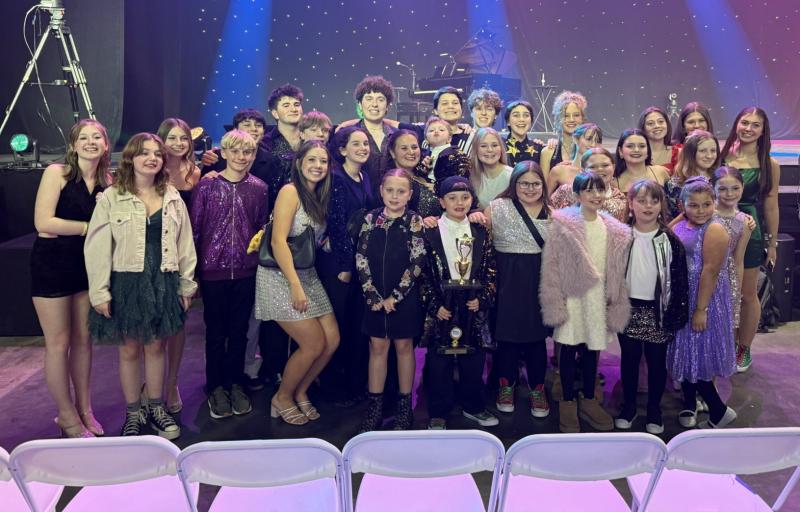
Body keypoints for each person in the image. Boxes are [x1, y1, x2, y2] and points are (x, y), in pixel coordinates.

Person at [85, 133, 197, 439]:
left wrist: (187, 285)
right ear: (131, 158)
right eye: (144, 153)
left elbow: (185, 244)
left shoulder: (172, 196)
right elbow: (96, 247)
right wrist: (99, 291)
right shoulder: (112, 197)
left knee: (157, 346)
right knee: (129, 349)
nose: (152, 158)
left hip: (163, 280)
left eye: (157, 154)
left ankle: (157, 407)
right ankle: (133, 412)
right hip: (126, 282)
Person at [31, 119, 112, 438]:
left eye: (97, 137)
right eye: (84, 137)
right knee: (58, 343)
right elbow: (43, 223)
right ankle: (66, 416)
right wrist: (89, 228)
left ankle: (84, 410)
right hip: (52, 265)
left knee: (83, 341)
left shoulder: (108, 181)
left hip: (88, 266)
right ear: (73, 145)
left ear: (106, 144)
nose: (91, 142)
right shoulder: (57, 173)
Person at [255, 140, 340, 425]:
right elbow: (278, 241)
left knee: (332, 341)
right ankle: (281, 397)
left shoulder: (319, 195)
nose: (318, 166)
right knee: (313, 344)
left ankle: (300, 391)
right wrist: (294, 285)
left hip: (308, 274)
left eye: (323, 161)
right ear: (300, 163)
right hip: (281, 276)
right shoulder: (290, 192)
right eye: (312, 160)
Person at [540, 171, 632, 433]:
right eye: (589, 190)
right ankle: (567, 401)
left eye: (600, 190)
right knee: (568, 349)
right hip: (572, 297)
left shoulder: (612, 229)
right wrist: (555, 301)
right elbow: (551, 266)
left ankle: (589, 399)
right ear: (577, 194)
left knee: (593, 350)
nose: (595, 195)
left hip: (598, 299)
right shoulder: (563, 225)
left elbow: (616, 269)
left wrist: (614, 297)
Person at [190, 129, 268, 419]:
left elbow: (261, 228)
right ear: (223, 153)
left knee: (239, 331)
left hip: (246, 271)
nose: (241, 157)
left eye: (247, 152)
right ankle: (215, 386)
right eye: (235, 151)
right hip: (212, 271)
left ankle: (235, 383)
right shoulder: (206, 186)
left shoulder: (259, 188)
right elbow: (195, 229)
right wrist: (194, 272)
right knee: (215, 332)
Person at [422, 176, 498, 429]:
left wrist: (482, 299)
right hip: (442, 303)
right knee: (438, 361)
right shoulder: (430, 231)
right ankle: (438, 412)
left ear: (472, 200)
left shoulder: (480, 229)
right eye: (452, 198)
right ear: (441, 202)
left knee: (474, 358)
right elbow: (423, 273)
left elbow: (490, 269)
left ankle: (473, 406)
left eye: (465, 197)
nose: (459, 202)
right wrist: (434, 305)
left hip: (471, 302)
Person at [616, 180, 689, 434]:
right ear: (630, 204)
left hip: (659, 310)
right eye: (641, 200)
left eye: (654, 201)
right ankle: (629, 407)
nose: (648, 206)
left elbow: (679, 280)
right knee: (629, 360)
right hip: (628, 309)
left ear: (661, 205)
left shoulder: (670, 240)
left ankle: (654, 410)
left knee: (657, 362)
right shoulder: (621, 236)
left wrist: (675, 314)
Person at [356, 169, 426, 432]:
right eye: (390, 190)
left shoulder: (414, 221)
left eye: (401, 191)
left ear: (409, 194)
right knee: (377, 347)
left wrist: (395, 296)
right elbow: (361, 257)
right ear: (381, 191)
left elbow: (416, 262)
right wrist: (372, 294)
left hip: (403, 298)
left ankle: (404, 409)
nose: (395, 196)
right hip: (374, 297)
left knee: (404, 347)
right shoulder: (370, 218)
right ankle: (374, 409)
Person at [485, 162, 551, 419]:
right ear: (514, 184)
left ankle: (538, 388)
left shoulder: (553, 213)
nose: (530, 188)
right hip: (506, 279)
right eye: (524, 183)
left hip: (539, 280)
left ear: (543, 185)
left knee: (536, 338)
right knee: (506, 337)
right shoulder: (497, 207)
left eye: (535, 183)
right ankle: (506, 386)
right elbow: (481, 241)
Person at [669, 177, 737, 429]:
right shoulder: (684, 223)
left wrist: (701, 309)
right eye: (693, 205)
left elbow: (710, 270)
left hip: (704, 296)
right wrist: (682, 214)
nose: (700, 211)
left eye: (706, 205)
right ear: (682, 205)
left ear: (714, 203)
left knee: (697, 351)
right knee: (687, 348)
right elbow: (667, 232)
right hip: (684, 295)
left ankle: (719, 411)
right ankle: (689, 401)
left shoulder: (715, 229)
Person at [317, 126, 376, 405]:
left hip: (358, 262)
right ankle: (333, 387)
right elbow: (337, 225)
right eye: (356, 144)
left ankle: (354, 384)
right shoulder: (337, 179)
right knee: (337, 327)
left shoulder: (364, 176)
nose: (363, 148)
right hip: (338, 264)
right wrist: (345, 266)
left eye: (366, 143)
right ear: (342, 150)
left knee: (354, 326)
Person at [719, 107, 780, 372]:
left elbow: (772, 205)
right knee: (721, 291)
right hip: (719, 225)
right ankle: (724, 344)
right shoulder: (721, 156)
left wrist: (772, 243)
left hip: (750, 229)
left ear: (763, 131)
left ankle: (743, 348)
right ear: (737, 123)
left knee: (747, 293)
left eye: (756, 125)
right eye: (745, 122)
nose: (749, 129)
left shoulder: (770, 164)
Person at [156, 117, 201, 414]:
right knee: (156, 326)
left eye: (184, 138)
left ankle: (171, 383)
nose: (179, 143)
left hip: (187, 252)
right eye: (172, 138)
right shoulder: (153, 169)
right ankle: (151, 385)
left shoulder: (195, 170)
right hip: (158, 253)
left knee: (178, 322)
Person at [711, 167, 754, 361]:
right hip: (703, 274)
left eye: (735, 188)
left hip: (727, 278)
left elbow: (738, 259)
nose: (729, 194)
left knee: (723, 322)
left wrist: (736, 288)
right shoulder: (706, 214)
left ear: (743, 187)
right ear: (713, 188)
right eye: (722, 189)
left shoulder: (742, 221)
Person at [550, 148, 629, 222]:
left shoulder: (620, 200)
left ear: (613, 167)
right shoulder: (566, 191)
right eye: (593, 167)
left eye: (605, 165)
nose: (600, 169)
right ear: (582, 170)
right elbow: (548, 213)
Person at [664, 130, 719, 219]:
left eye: (713, 151)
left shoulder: (720, 179)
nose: (709, 156)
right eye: (702, 151)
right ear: (690, 153)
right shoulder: (674, 185)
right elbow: (670, 220)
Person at [387, 129, 441, 218]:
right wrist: (421, 222)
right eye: (404, 148)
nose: (411, 152)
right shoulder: (390, 182)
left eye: (414, 147)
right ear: (392, 153)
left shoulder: (424, 176)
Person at [540, 90, 587, 176]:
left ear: (582, 118)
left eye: (576, 115)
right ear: (558, 119)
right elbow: (544, 184)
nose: (571, 120)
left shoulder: (589, 151)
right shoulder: (548, 152)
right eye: (566, 116)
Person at [546, 123, 602, 194]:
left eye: (598, 141)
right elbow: (545, 199)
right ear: (575, 139)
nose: (593, 144)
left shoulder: (602, 171)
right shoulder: (559, 171)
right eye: (589, 139)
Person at [613, 129, 670, 193]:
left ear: (648, 150)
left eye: (642, 146)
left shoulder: (660, 172)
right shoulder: (614, 182)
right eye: (630, 146)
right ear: (620, 151)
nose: (636, 150)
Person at [470, 127, 512, 208]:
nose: (490, 150)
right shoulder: (470, 177)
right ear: (476, 150)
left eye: (494, 145)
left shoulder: (512, 176)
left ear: (501, 148)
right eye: (483, 146)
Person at [424, 116, 470, 187]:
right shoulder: (425, 155)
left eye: (441, 130)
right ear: (426, 140)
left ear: (449, 138)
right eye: (431, 130)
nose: (436, 131)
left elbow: (459, 178)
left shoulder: (455, 154)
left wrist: (436, 187)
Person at [502, 100, 544, 167]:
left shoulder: (539, 148)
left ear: (531, 121)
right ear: (508, 121)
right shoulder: (500, 146)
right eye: (516, 115)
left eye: (526, 115)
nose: (521, 119)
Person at [638, 106, 679, 172]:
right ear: (643, 128)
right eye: (650, 123)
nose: (657, 126)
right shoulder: (637, 153)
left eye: (661, 121)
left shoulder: (678, 152)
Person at [464, 88, 503, 155]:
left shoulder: (502, 143)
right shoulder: (460, 138)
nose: (483, 113)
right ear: (471, 113)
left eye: (489, 109)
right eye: (479, 109)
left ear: (496, 115)